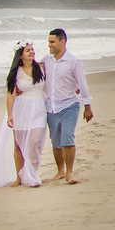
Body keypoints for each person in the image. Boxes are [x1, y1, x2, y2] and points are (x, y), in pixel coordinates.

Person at [0, 40, 48, 187]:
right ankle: (19, 177)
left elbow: (53, 83)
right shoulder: (16, 73)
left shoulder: (42, 68)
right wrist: (10, 115)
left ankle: (31, 174)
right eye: (28, 50)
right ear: (20, 55)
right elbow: (11, 94)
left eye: (32, 49)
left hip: (39, 109)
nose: (32, 52)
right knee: (18, 145)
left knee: (35, 142)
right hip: (21, 110)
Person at [43, 28, 93, 184]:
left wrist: (87, 106)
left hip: (70, 105)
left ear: (62, 42)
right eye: (48, 42)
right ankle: (60, 171)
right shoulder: (46, 60)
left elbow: (82, 85)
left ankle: (70, 172)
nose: (49, 45)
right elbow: (33, 74)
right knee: (55, 141)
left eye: (52, 42)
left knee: (67, 137)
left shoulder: (74, 61)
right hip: (51, 107)